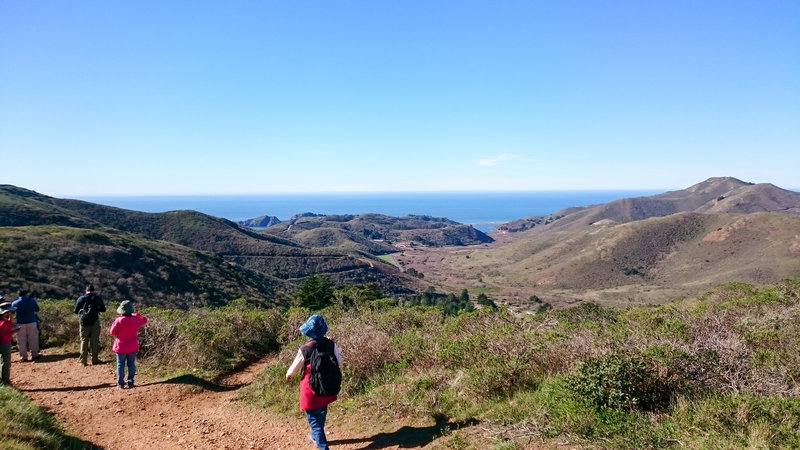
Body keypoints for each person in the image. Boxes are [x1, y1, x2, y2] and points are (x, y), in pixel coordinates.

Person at [285, 314, 343, 450]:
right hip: (327, 386)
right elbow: (340, 362)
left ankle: (322, 446)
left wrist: (288, 375)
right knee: (321, 413)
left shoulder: (305, 348)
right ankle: (315, 436)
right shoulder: (330, 343)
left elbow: (294, 368)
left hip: (310, 389)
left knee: (314, 421)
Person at [108, 300, 147, 389]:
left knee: (120, 364)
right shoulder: (135, 320)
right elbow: (144, 320)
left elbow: (112, 332)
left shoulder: (118, 320)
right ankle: (130, 382)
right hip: (132, 345)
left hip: (120, 346)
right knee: (131, 364)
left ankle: (120, 384)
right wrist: (137, 315)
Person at [73, 284, 106, 366]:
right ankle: (95, 359)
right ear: (93, 290)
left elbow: (75, 311)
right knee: (94, 340)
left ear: (85, 291)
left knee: (84, 340)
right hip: (95, 321)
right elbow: (103, 309)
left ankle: (83, 361)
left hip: (84, 322)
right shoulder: (97, 298)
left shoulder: (81, 298)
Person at [12, 290, 40, 362]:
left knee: (21, 340)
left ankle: (23, 357)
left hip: (20, 323)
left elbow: (11, 312)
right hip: (31, 321)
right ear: (26, 294)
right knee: (33, 338)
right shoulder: (32, 301)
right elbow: (37, 309)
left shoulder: (15, 303)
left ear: (18, 295)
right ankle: (35, 355)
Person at [0, 301, 20, 386]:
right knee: (6, 362)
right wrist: (15, 331)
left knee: (2, 361)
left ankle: (3, 380)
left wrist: (10, 315)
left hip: (3, 342)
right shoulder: (3, 323)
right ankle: (5, 381)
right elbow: (4, 334)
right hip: (4, 343)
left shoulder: (3, 320)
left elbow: (10, 323)